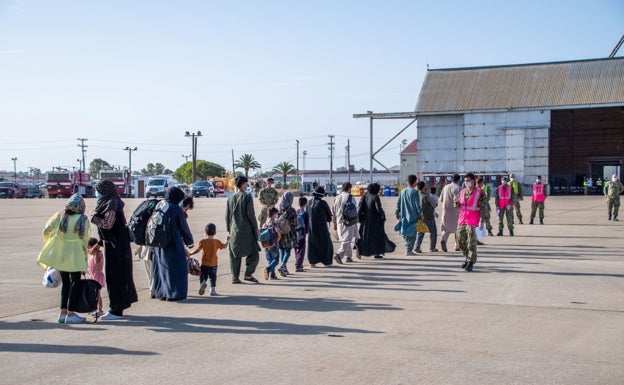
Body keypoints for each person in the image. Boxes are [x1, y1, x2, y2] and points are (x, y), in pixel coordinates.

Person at [37, 193, 90, 324]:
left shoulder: (59, 216)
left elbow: (46, 230)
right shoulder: (83, 219)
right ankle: (71, 313)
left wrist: (52, 241)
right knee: (75, 283)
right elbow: (85, 240)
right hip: (75, 254)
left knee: (65, 283)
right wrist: (84, 260)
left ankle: (63, 313)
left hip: (61, 254)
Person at [91, 180, 138, 320]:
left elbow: (107, 224)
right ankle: (117, 307)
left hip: (117, 247)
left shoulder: (112, 203)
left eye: (98, 191)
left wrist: (93, 216)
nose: (97, 194)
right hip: (115, 245)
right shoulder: (111, 201)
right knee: (116, 275)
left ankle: (116, 309)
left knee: (116, 276)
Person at [150, 187, 195, 301]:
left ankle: (162, 293)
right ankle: (174, 293)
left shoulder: (160, 205)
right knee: (176, 268)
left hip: (158, 244)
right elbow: (183, 227)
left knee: (161, 269)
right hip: (173, 242)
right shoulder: (176, 209)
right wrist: (189, 242)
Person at [225, 176, 260, 283]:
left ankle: (235, 277)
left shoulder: (230, 199)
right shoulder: (247, 197)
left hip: (234, 231)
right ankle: (248, 274)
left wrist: (229, 230)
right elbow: (251, 215)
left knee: (234, 255)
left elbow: (227, 216)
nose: (246, 185)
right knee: (254, 253)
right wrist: (256, 228)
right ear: (243, 184)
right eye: (246, 183)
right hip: (247, 231)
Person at [455, 173, 488, 272]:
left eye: (468, 180)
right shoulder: (462, 192)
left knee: (471, 243)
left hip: (472, 220)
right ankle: (467, 257)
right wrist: (456, 203)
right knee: (460, 241)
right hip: (462, 219)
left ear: (473, 181)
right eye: (465, 180)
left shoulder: (480, 193)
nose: (466, 182)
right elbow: (457, 204)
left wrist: (483, 221)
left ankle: (471, 261)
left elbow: (484, 208)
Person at [187, 223, 229, 296]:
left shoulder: (203, 242)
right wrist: (227, 240)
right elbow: (224, 246)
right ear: (215, 233)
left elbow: (198, 250)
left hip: (204, 263)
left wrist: (190, 253)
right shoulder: (217, 242)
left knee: (203, 275)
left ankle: (202, 283)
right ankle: (212, 290)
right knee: (213, 277)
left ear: (205, 232)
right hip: (214, 263)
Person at [356, 183, 387, 259]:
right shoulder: (375, 197)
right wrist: (383, 216)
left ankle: (359, 250)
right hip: (375, 221)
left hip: (365, 220)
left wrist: (359, 218)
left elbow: (360, 208)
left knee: (364, 236)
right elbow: (378, 208)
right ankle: (377, 253)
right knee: (377, 236)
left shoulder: (365, 196)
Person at [306, 186, 334, 267]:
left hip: (311, 228)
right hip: (322, 228)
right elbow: (329, 217)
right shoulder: (323, 203)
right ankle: (327, 261)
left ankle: (312, 262)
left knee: (312, 245)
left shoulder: (309, 202)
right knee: (326, 244)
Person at [395, 175, 422, 256]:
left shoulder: (402, 191)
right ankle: (409, 250)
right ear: (414, 182)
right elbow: (418, 205)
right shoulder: (415, 192)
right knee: (412, 233)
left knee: (405, 231)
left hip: (403, 214)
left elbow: (398, 203)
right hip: (413, 215)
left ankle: (407, 248)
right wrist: (421, 214)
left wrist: (397, 212)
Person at [332, 182, 359, 263]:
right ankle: (339, 255)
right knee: (348, 239)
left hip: (339, 221)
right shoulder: (350, 197)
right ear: (349, 189)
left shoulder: (336, 197)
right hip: (348, 221)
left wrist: (335, 223)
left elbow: (333, 211)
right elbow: (355, 209)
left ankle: (349, 257)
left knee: (345, 239)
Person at [276, 191, 297, 275]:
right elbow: (295, 223)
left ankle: (284, 269)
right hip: (289, 233)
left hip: (280, 233)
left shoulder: (278, 209)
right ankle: (283, 265)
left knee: (281, 250)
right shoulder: (292, 210)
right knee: (288, 251)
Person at [439, 174, 461, 252]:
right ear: (458, 180)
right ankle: (457, 245)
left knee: (446, 227)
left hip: (445, 209)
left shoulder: (445, 187)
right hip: (455, 210)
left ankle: (443, 240)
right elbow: (458, 200)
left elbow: (441, 199)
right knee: (458, 228)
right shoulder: (458, 188)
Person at [416, 181, 438, 253]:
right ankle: (432, 247)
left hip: (420, 217)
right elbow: (434, 204)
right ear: (424, 187)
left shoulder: (416, 195)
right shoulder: (426, 196)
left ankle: (417, 246)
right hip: (428, 216)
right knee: (433, 232)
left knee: (421, 232)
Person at [87, 238, 105, 317]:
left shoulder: (98, 254)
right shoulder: (93, 255)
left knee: (97, 294)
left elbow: (96, 262)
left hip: (97, 277)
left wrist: (95, 252)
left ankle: (100, 309)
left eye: (89, 247)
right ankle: (94, 308)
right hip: (92, 276)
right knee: (93, 295)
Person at [261, 207, 282, 280]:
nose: (276, 216)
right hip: (273, 245)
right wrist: (276, 242)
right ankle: (268, 269)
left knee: (270, 260)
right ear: (273, 214)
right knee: (276, 260)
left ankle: (272, 275)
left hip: (266, 245)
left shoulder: (264, 224)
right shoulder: (274, 224)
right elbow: (279, 234)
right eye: (276, 214)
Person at [294, 196, 309, 272]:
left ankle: (298, 263)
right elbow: (307, 224)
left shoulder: (296, 212)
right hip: (302, 233)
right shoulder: (305, 213)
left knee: (296, 249)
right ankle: (298, 265)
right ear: (305, 204)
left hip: (295, 233)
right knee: (301, 250)